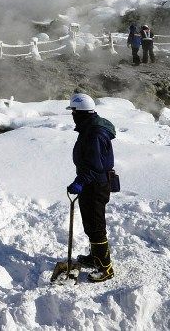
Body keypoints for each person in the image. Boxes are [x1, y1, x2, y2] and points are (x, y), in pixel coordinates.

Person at [66, 92, 117, 283]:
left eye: (73, 111)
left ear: (80, 112)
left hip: (94, 185)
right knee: (91, 224)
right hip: (91, 183)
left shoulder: (94, 133)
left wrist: (80, 181)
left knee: (96, 226)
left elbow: (95, 166)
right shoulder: (90, 127)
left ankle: (105, 268)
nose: (72, 115)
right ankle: (95, 256)